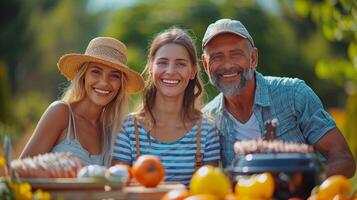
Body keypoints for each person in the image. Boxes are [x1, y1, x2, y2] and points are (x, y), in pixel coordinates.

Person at [201, 18, 356, 178]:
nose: (227, 65)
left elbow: (344, 160)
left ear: (253, 58)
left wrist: (302, 184)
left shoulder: (294, 94)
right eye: (217, 57)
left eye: (236, 54)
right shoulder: (207, 120)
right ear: (205, 65)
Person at [112, 28, 220, 186]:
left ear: (193, 71)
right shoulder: (128, 128)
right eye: (162, 62)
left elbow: (209, 193)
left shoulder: (207, 132)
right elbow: (117, 188)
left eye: (180, 64)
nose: (170, 71)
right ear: (150, 67)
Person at [20, 37, 145, 166]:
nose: (104, 82)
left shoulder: (113, 130)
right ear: (83, 75)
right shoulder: (61, 113)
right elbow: (19, 172)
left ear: (121, 84)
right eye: (96, 72)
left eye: (114, 75)